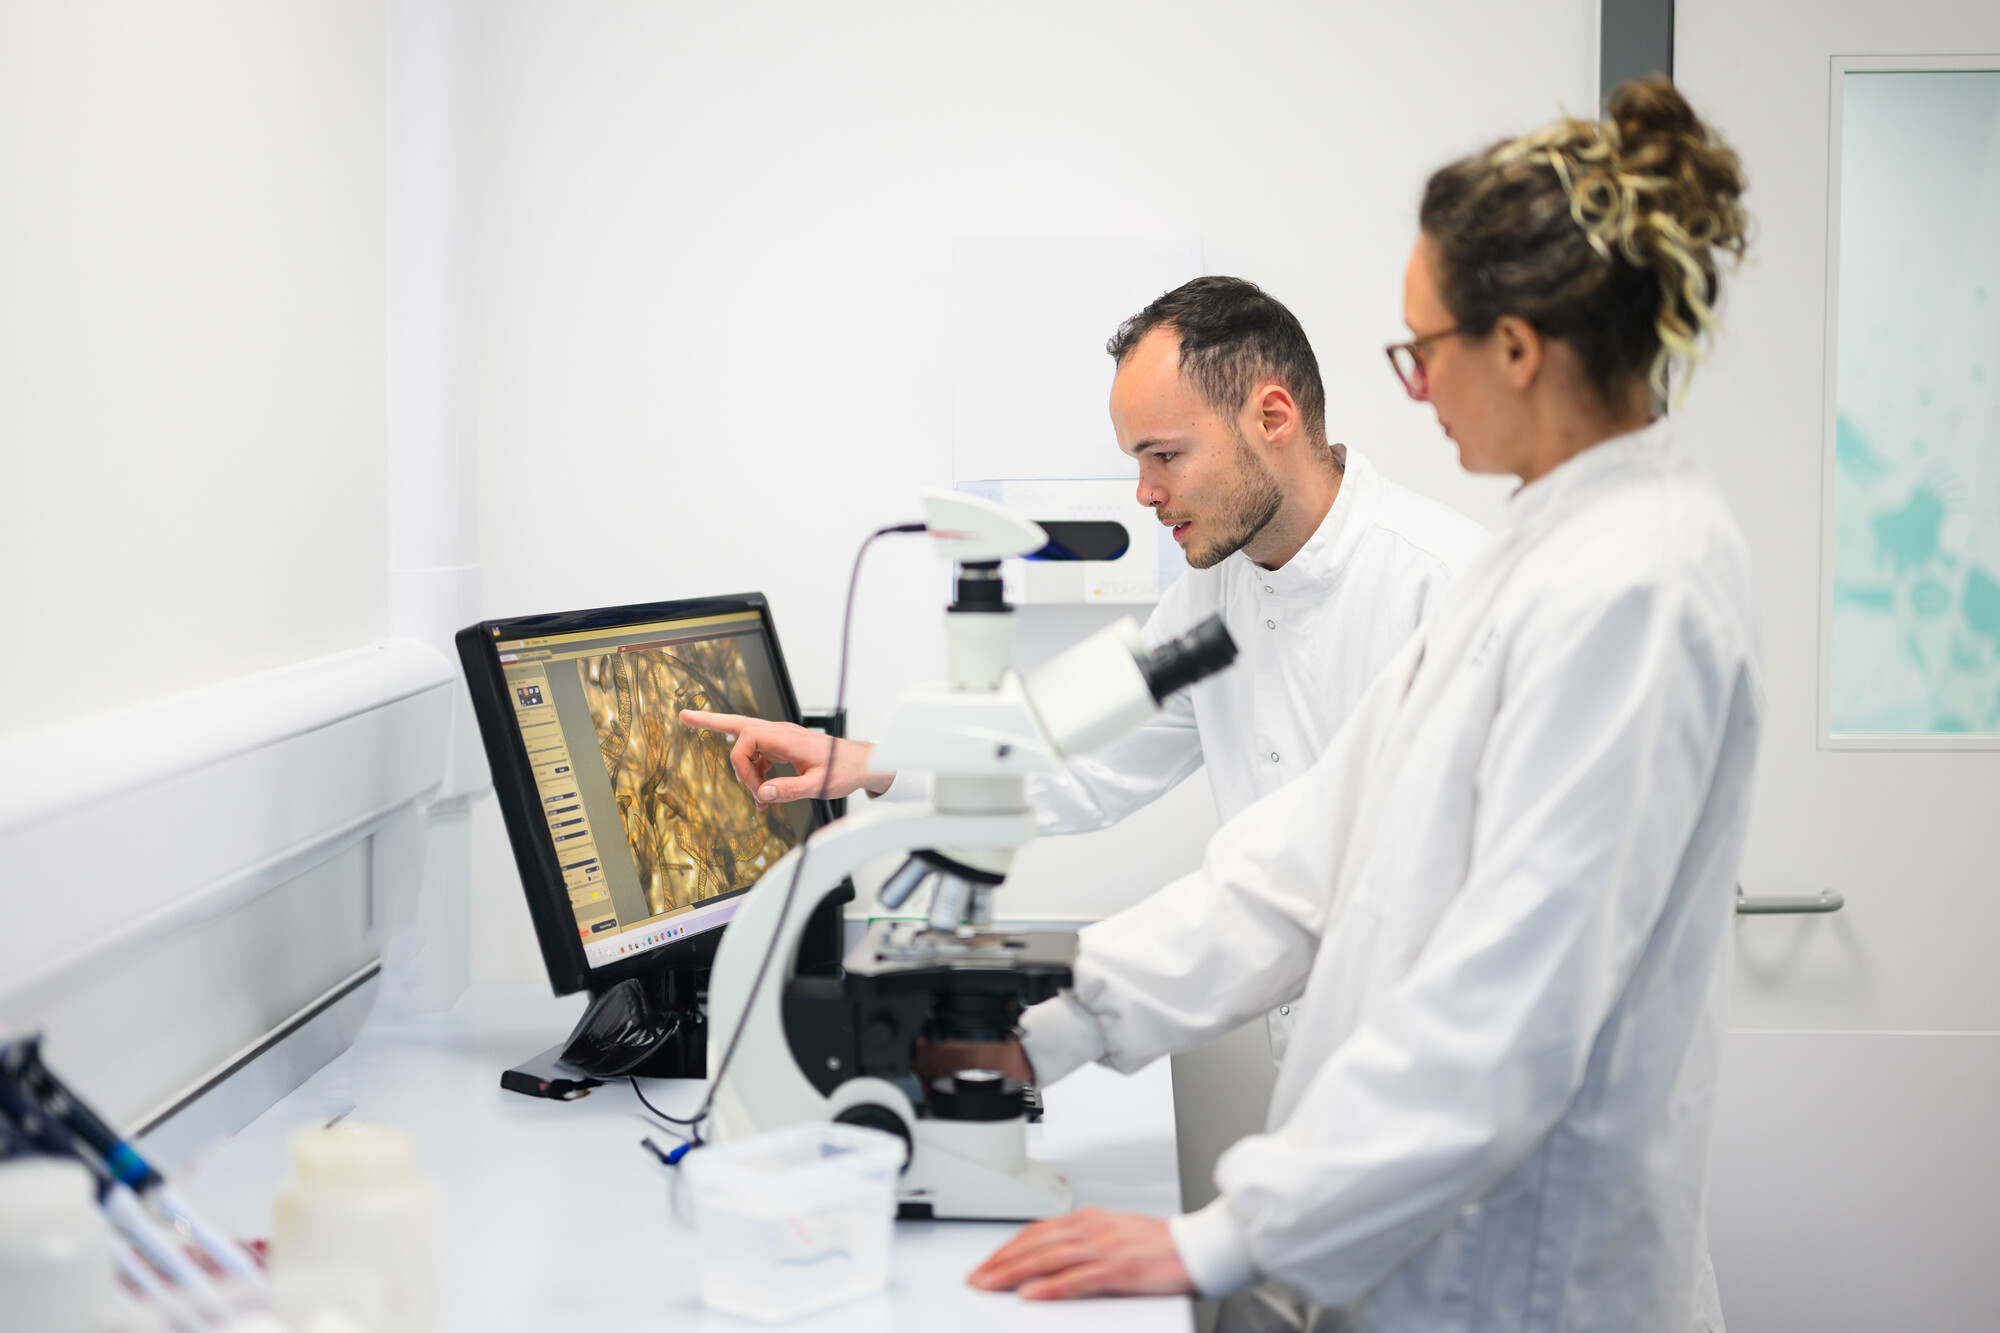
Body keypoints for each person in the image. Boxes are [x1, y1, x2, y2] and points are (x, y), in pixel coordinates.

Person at [951, 78, 1760, 1332]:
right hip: (1421, 1242)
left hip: (1529, 1274)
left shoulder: (1635, 591)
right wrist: (1054, 1021)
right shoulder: (1538, 561)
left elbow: (1510, 1003)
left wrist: (1222, 1236)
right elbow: (1314, 851)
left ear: (1515, 349)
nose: (1415, 387)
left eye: (1421, 349)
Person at [684, 277, 1487, 1061]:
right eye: (1138, 460)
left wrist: (1066, 1030)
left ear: (1273, 417)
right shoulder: (1218, 588)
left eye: (1165, 455)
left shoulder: (1448, 589)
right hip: (1318, 1061)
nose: (1144, 492)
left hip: (1435, 1060)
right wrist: (870, 764)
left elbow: (1328, 881)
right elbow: (1085, 762)